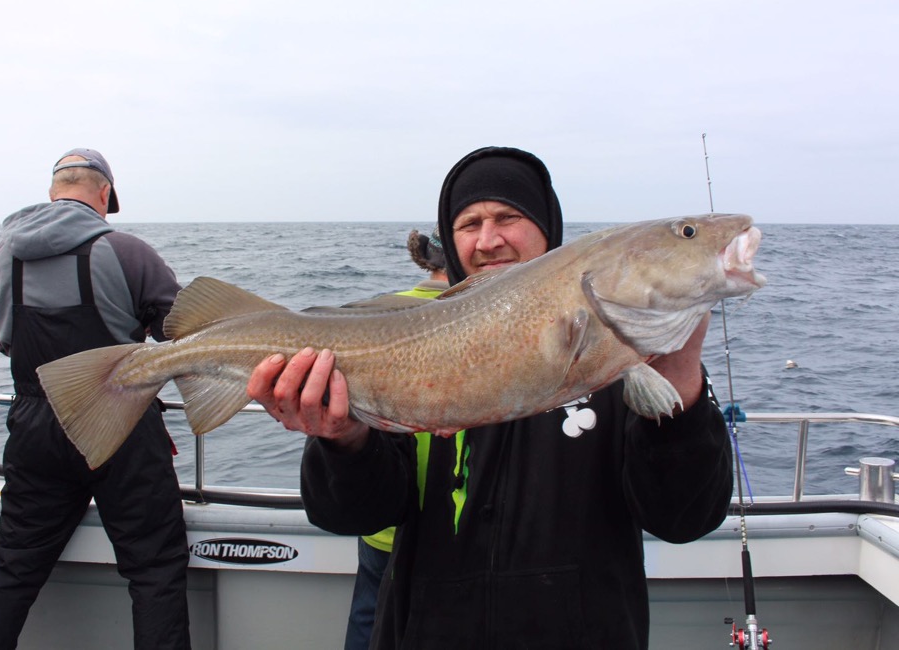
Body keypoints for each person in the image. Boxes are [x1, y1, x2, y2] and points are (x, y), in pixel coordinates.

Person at [247, 146, 733, 649]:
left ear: (548, 229)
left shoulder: (625, 359)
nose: (488, 239)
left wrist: (680, 384)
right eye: (468, 223)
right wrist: (343, 439)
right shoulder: (403, 347)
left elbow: (684, 519)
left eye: (508, 217)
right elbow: (354, 516)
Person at [0, 149, 191, 650]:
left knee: (13, 564)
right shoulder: (127, 251)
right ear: (104, 194)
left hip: (35, 424)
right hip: (122, 422)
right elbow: (183, 332)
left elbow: (5, 339)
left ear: (53, 191)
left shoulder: (3, 255)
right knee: (154, 568)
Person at [344, 226, 448, 650]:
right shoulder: (482, 317)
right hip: (442, 531)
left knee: (370, 625)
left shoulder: (382, 313)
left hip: (380, 528)